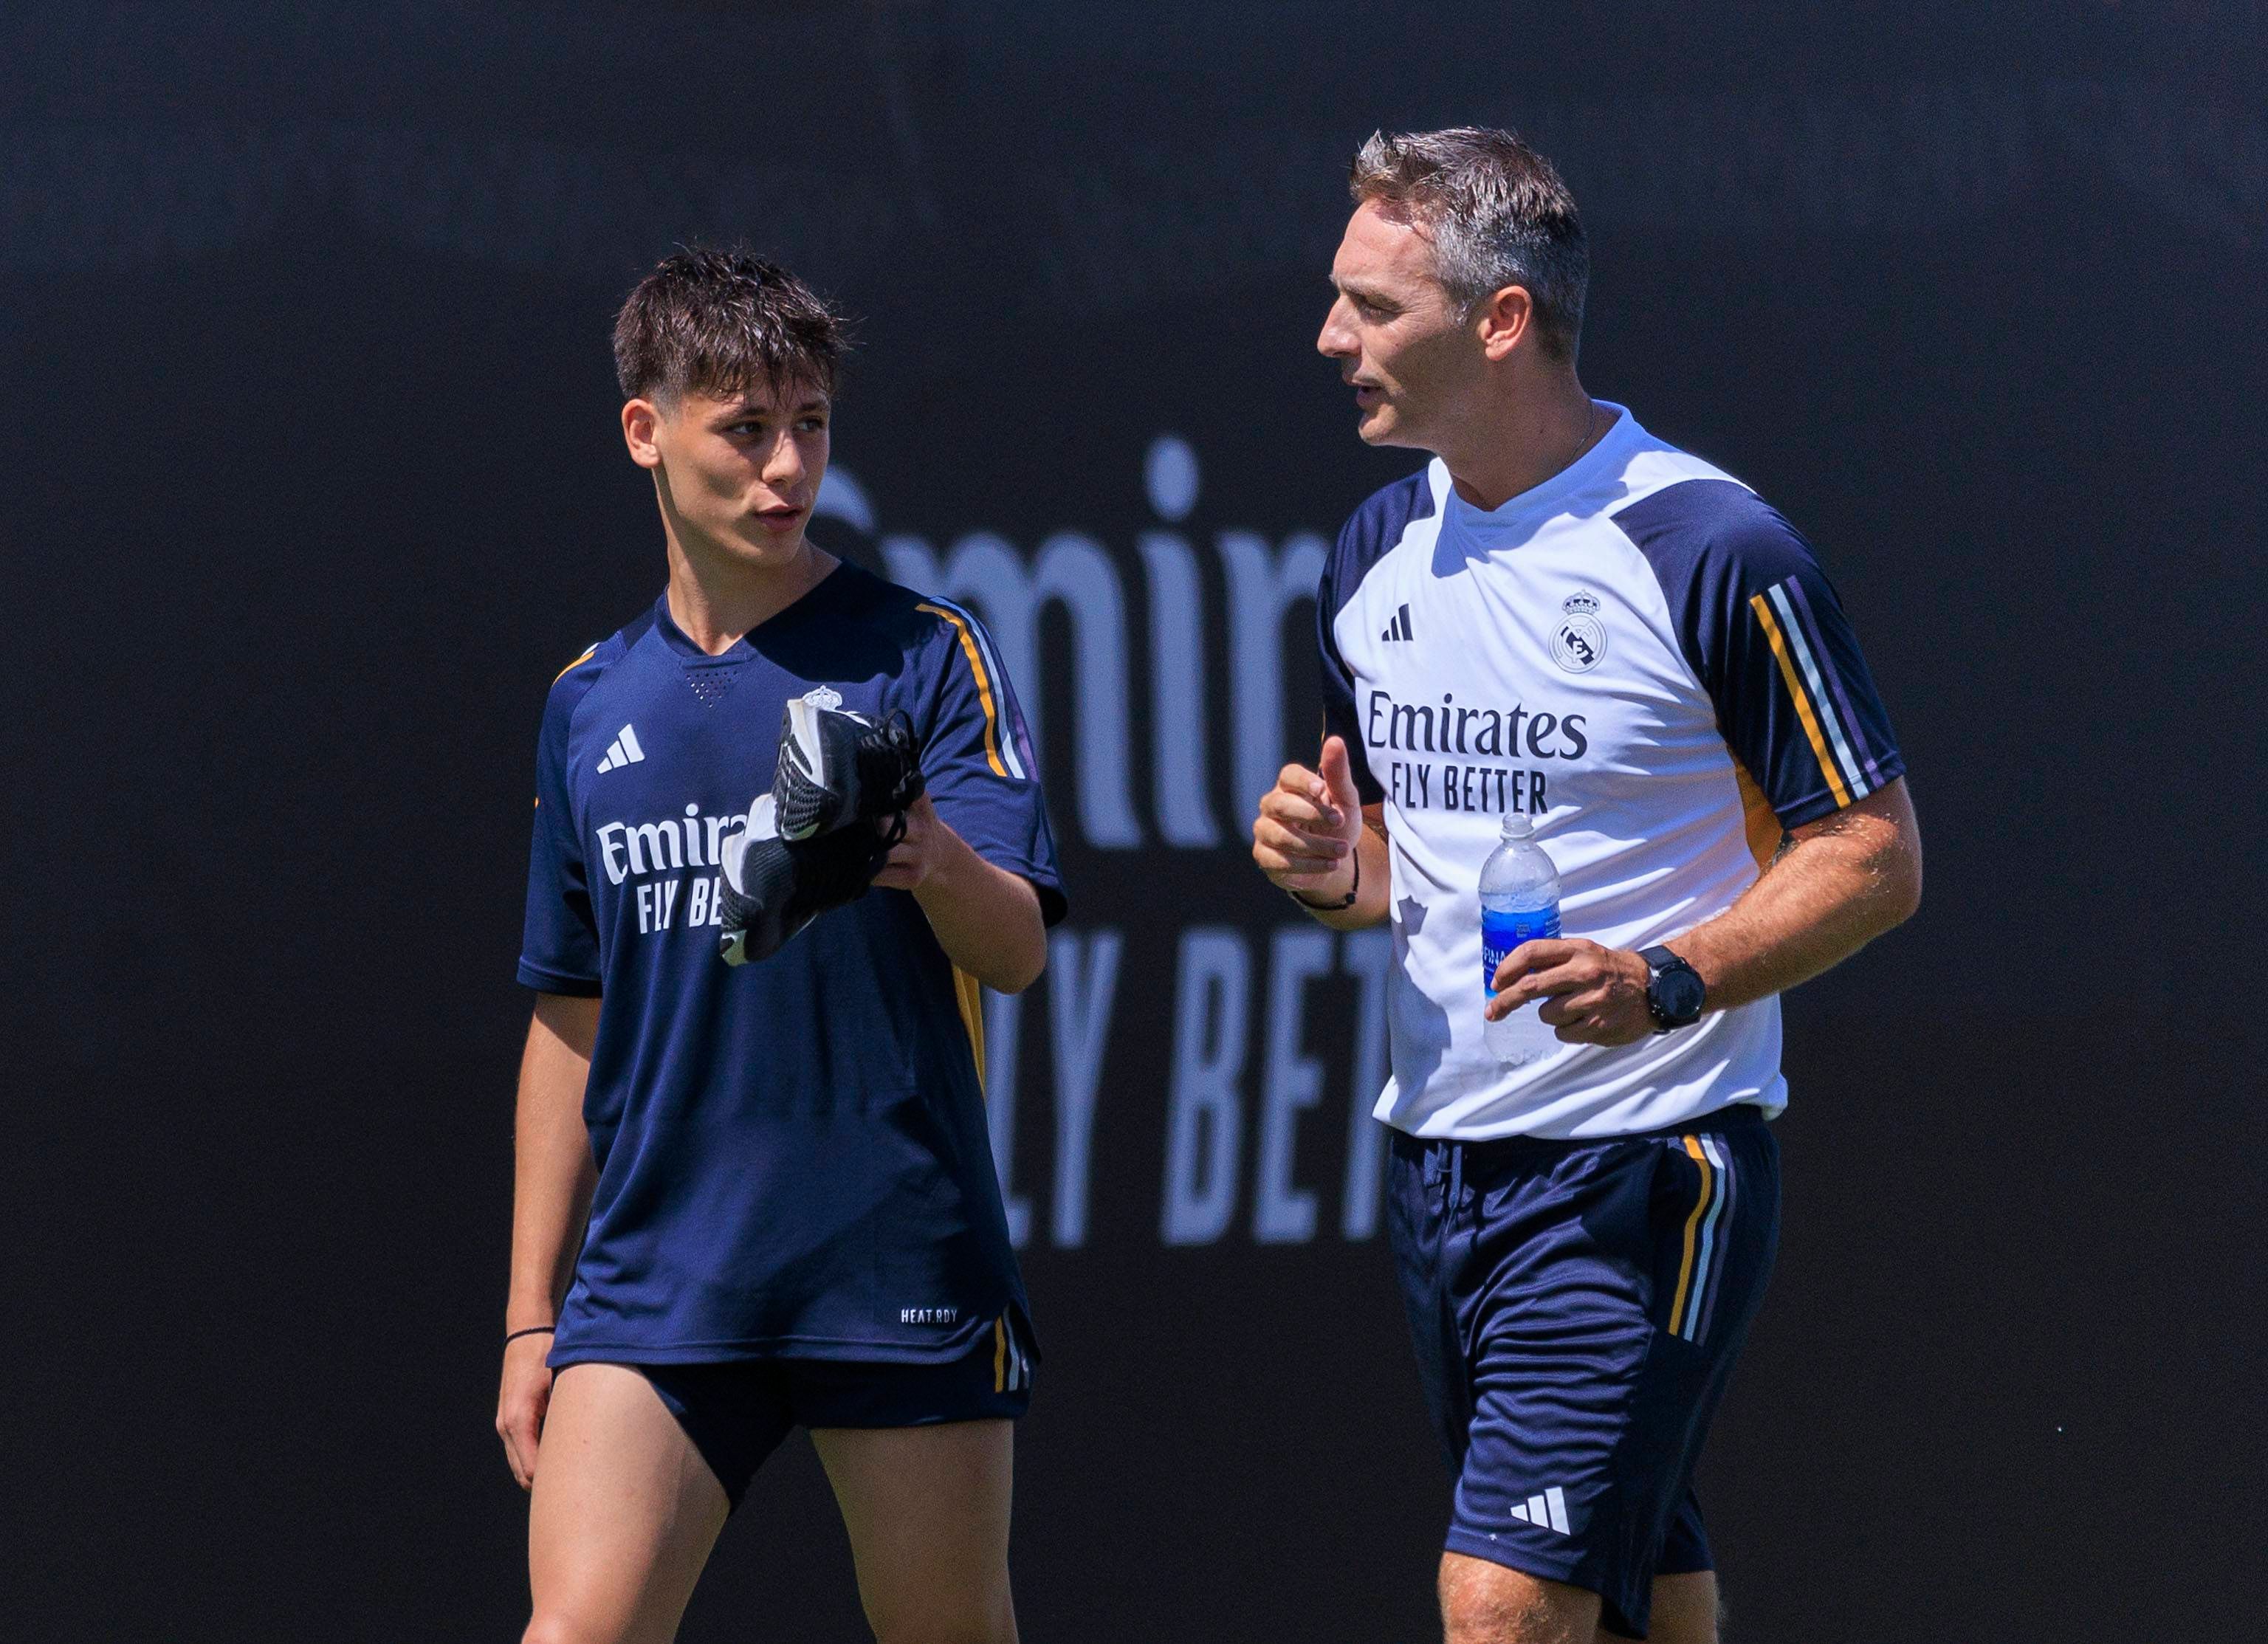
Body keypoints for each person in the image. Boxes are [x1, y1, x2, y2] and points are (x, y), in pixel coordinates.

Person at [1252, 129, 1922, 1644]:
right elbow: (1393, 867)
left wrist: (1669, 977)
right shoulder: (1375, 549)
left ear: (1501, 319)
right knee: (1638, 1596)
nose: (1332, 337)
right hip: (1441, 1165)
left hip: (1645, 1162)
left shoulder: (1710, 544)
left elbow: (1874, 855)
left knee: (1502, 1604)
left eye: (1373, 305)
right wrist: (1330, 868)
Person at [497, 247, 1063, 1644]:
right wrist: (528, 1316)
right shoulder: (587, 701)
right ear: (646, 430)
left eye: (809, 423)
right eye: (745, 429)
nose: (787, 467)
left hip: (892, 1254)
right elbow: (570, 1015)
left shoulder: (923, 652)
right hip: (658, 1273)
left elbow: (1018, 952)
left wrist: (929, 854)